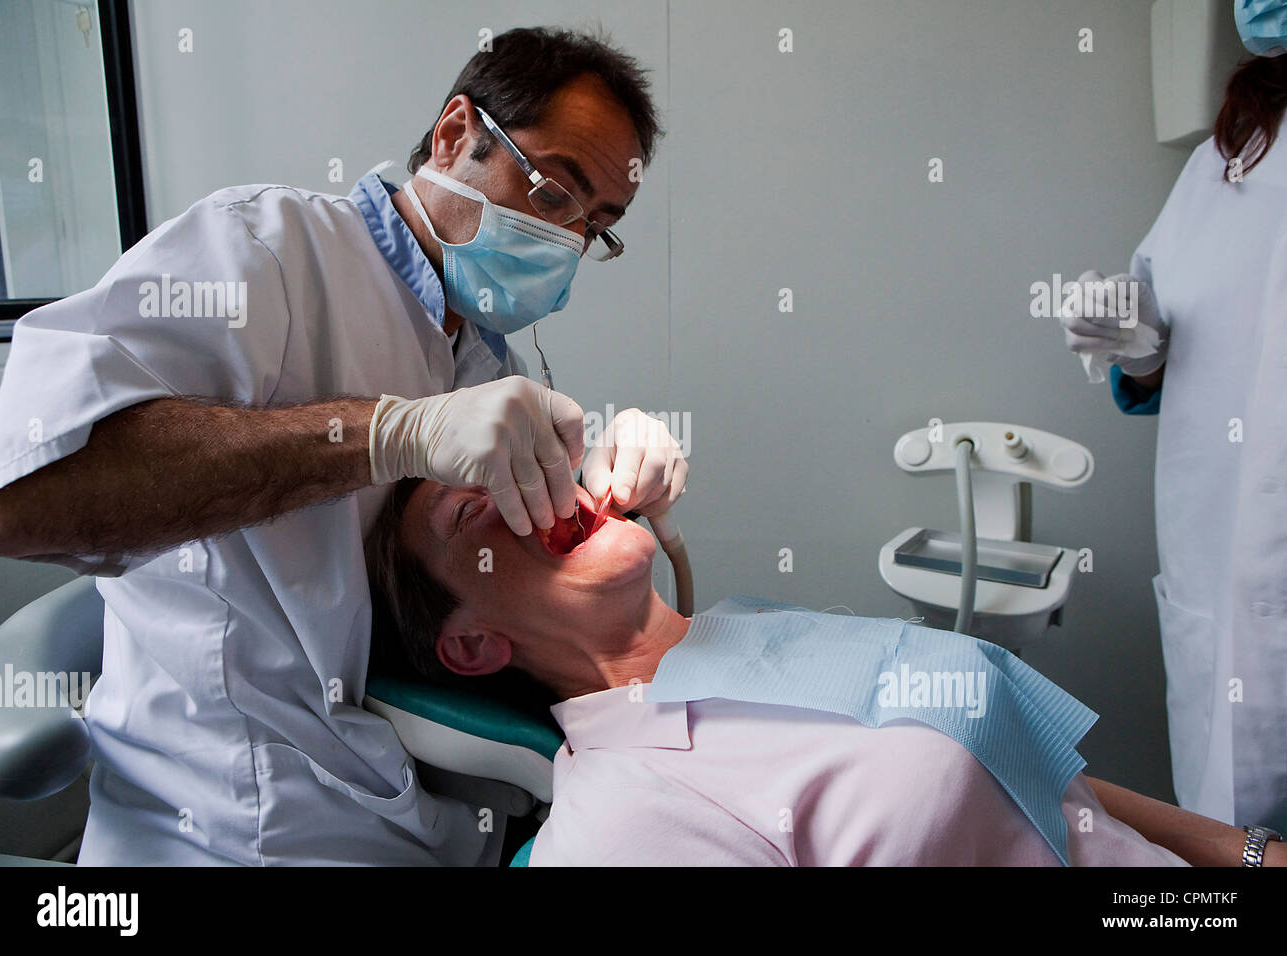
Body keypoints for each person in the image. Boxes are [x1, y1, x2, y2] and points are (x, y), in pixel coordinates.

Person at [0, 27, 686, 865]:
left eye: (597, 226)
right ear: (455, 135)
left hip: (420, 802)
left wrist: (597, 486)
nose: (568, 242)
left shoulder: (478, 350)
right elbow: (25, 496)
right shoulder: (264, 251)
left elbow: (470, 587)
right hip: (235, 823)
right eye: (552, 197)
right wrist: (382, 434)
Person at [366, 477, 1284, 866]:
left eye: (528, 472)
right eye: (476, 513)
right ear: (474, 647)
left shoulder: (750, 628)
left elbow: (1033, 775)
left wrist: (1246, 855)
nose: (532, 499)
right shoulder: (621, 819)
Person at [1057, 1, 1287, 836]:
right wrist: (1136, 342)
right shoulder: (1227, 160)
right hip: (1221, 585)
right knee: (1232, 854)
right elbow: (1170, 364)